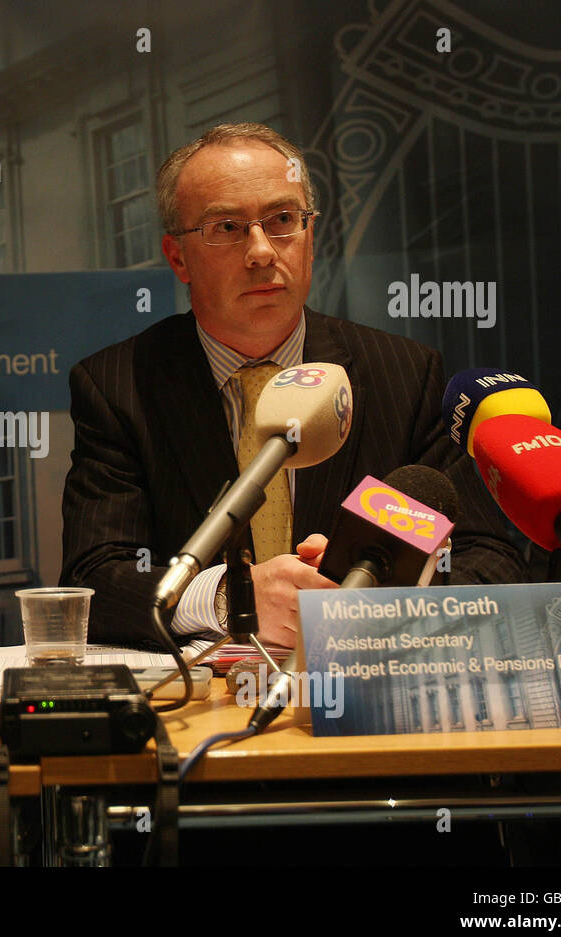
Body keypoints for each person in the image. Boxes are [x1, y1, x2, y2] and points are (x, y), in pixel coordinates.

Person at [60, 123, 525, 651]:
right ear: (178, 258)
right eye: (227, 227)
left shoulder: (403, 372)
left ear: (309, 236)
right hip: (210, 707)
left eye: (282, 220)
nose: (261, 252)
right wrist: (230, 598)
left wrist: (377, 590)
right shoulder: (120, 385)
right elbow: (92, 582)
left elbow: (487, 562)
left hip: (363, 696)